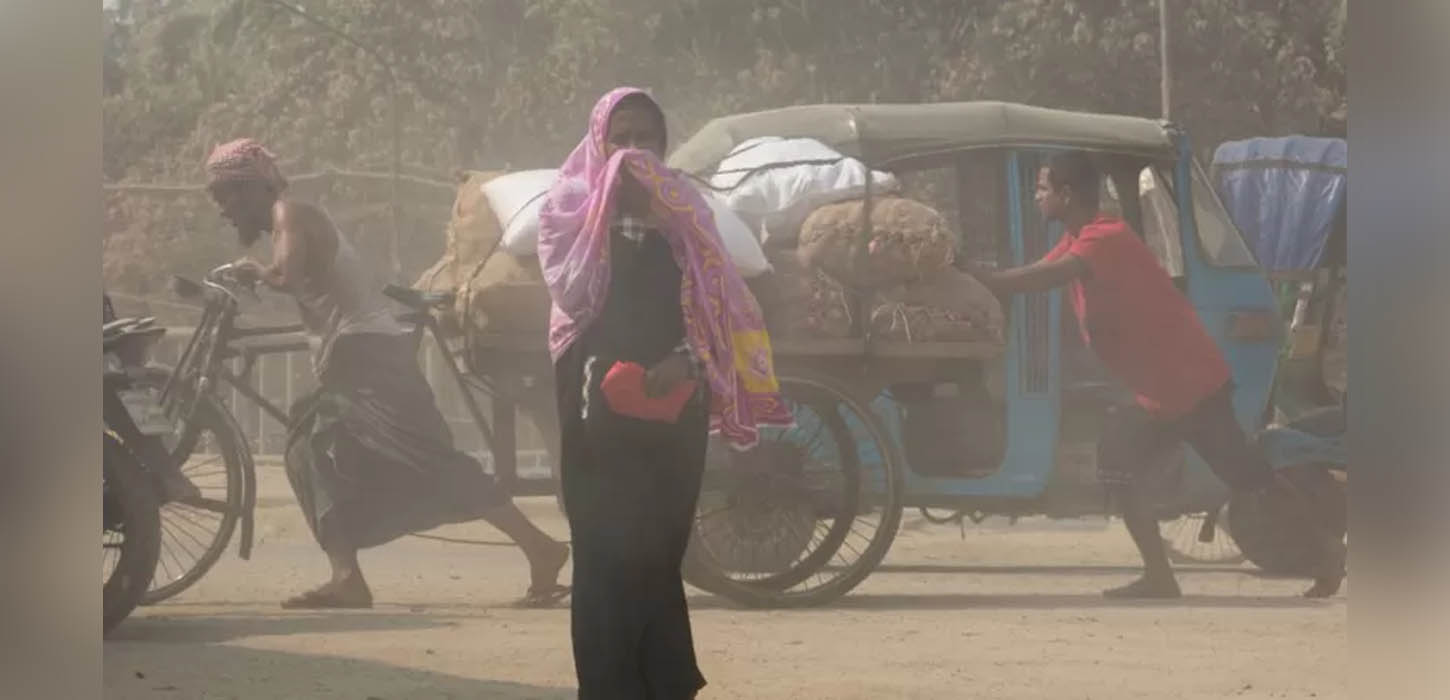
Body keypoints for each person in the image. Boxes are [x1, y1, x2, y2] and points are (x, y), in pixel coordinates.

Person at [203, 138, 570, 609]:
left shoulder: (289, 214)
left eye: (228, 196)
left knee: (430, 459)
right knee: (305, 448)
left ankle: (541, 548)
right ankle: (346, 575)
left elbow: (285, 277)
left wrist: (251, 272)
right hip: (352, 357)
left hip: (371, 356)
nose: (225, 210)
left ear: (254, 187)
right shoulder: (284, 222)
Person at [969, 150, 1345, 599]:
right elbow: (1038, 273)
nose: (1037, 197)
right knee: (1122, 464)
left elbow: (1042, 277)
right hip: (1161, 390)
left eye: (1043, 188)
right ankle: (1161, 576)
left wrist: (978, 278)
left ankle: (1324, 552)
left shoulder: (1103, 236)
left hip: (1189, 385)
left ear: (1067, 195)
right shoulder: (1079, 236)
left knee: (1250, 478)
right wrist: (986, 279)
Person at [539, 88, 792, 699]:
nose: (632, 151)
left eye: (645, 138)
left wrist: (685, 361)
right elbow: (572, 298)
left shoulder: (689, 216)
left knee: (658, 549)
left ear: (664, 143)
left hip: (675, 409)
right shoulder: (569, 212)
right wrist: (615, 218)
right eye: (619, 138)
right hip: (596, 413)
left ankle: (667, 683)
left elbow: (718, 308)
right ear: (599, 142)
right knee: (602, 549)